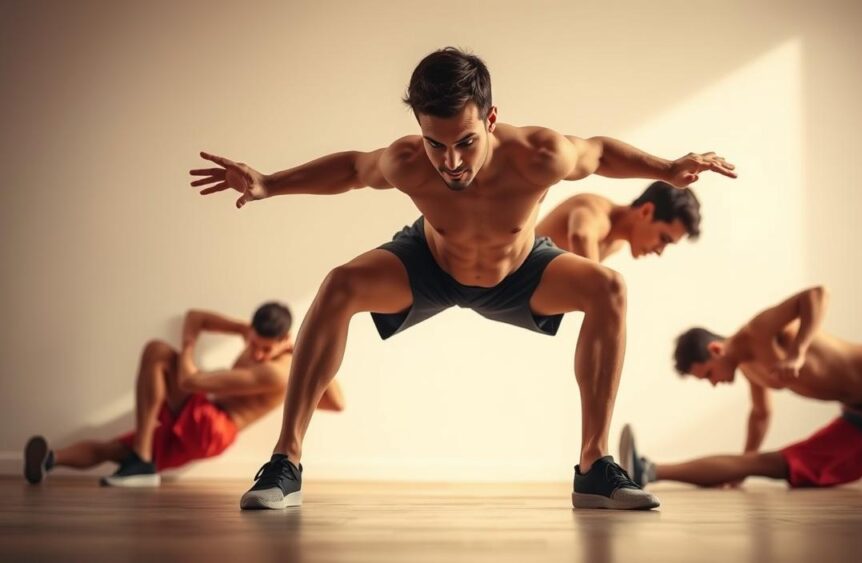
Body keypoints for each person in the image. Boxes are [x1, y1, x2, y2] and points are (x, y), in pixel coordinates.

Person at [189, 47, 736, 510]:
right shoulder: (407, 160)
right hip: (431, 264)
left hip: (519, 271)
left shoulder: (539, 155)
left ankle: (594, 465)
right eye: (436, 143)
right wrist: (269, 183)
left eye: (466, 142)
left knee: (608, 287)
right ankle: (285, 461)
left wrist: (666, 169)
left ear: (491, 119)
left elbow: (598, 153)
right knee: (340, 284)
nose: (450, 161)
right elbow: (354, 169)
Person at [618, 286, 862, 489]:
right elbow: (760, 415)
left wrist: (797, 350)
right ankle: (648, 470)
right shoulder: (752, 371)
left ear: (715, 349)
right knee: (780, 464)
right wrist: (742, 465)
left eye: (707, 374)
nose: (713, 383)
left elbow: (817, 294)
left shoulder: (760, 332)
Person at [23, 302, 344, 487]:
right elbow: (194, 316)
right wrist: (240, 329)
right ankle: (51, 460)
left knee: (157, 351)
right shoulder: (257, 340)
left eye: (265, 349)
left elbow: (190, 382)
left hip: (213, 428)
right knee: (115, 449)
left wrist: (308, 350)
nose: (257, 353)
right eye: (253, 344)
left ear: (285, 339)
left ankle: (142, 461)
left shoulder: (278, 371)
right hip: (197, 422)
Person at [536, 181, 701, 261]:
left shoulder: (616, 244)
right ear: (646, 211)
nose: (660, 251)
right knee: (612, 287)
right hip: (520, 271)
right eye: (663, 239)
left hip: (529, 300)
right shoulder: (597, 211)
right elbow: (581, 236)